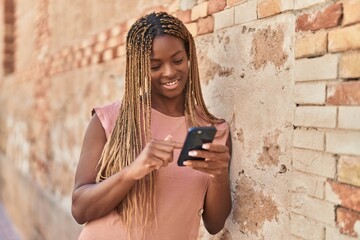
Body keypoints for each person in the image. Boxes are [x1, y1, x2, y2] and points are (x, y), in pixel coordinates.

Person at [71, 11, 232, 240]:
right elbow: (79, 209)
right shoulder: (107, 120)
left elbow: (214, 224)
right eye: (155, 66)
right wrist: (131, 172)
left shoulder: (214, 132)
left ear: (189, 57)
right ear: (139, 69)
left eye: (177, 60)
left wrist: (219, 176)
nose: (169, 72)